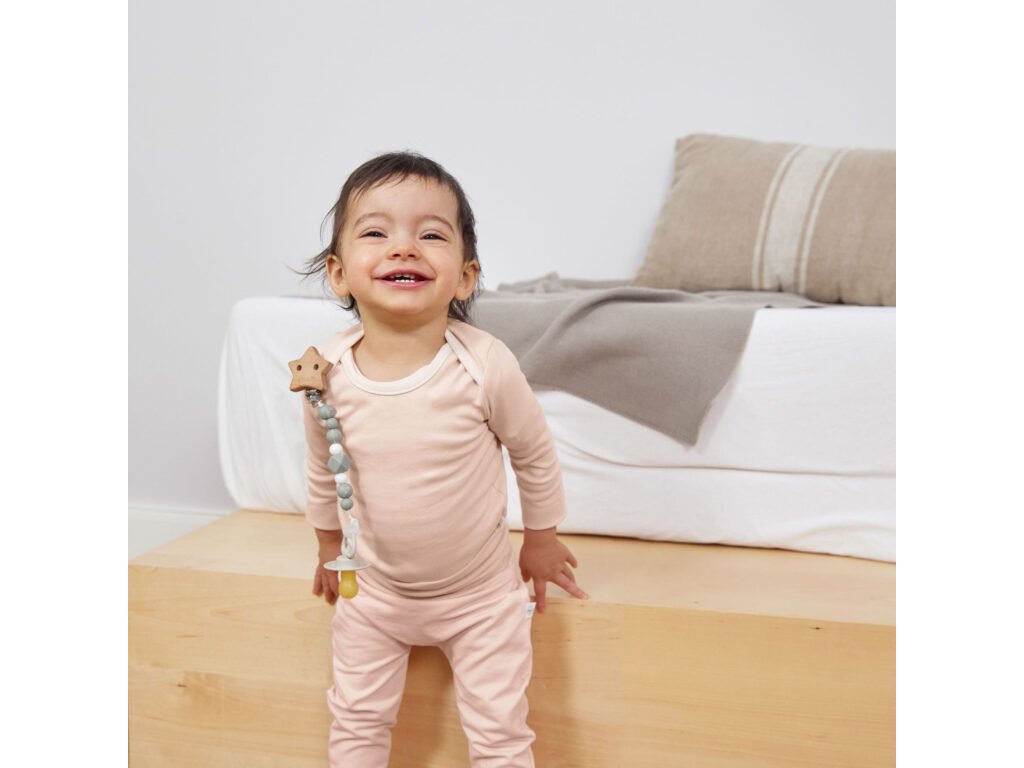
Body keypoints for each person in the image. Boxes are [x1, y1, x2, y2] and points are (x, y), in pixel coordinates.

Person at [297, 151, 589, 767]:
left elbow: (533, 453)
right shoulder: (325, 373)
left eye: (431, 235)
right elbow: (324, 467)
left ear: (464, 277)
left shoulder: (484, 364)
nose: (403, 247)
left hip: (481, 598)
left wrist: (541, 538)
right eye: (375, 233)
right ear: (339, 274)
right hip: (372, 593)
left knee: (500, 733)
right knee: (355, 720)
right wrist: (327, 546)